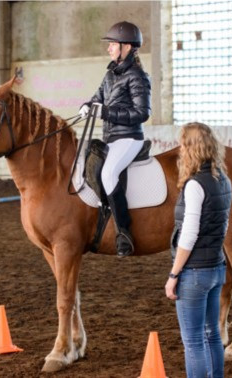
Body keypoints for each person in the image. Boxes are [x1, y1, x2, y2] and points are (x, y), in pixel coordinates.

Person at [78, 21, 151, 257]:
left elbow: (142, 113)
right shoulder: (110, 74)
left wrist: (106, 112)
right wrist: (88, 106)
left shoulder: (137, 76)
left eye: (112, 44)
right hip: (110, 138)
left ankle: (124, 233)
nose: (109, 48)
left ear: (126, 47)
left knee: (109, 173)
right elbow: (97, 97)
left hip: (129, 138)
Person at [165, 123, 232, 378]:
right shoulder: (223, 180)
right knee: (212, 334)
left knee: (193, 341)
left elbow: (189, 234)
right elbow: (222, 225)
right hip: (216, 267)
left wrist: (174, 275)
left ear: (191, 149)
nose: (181, 150)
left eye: (183, 146)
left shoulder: (194, 185)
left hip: (194, 273)